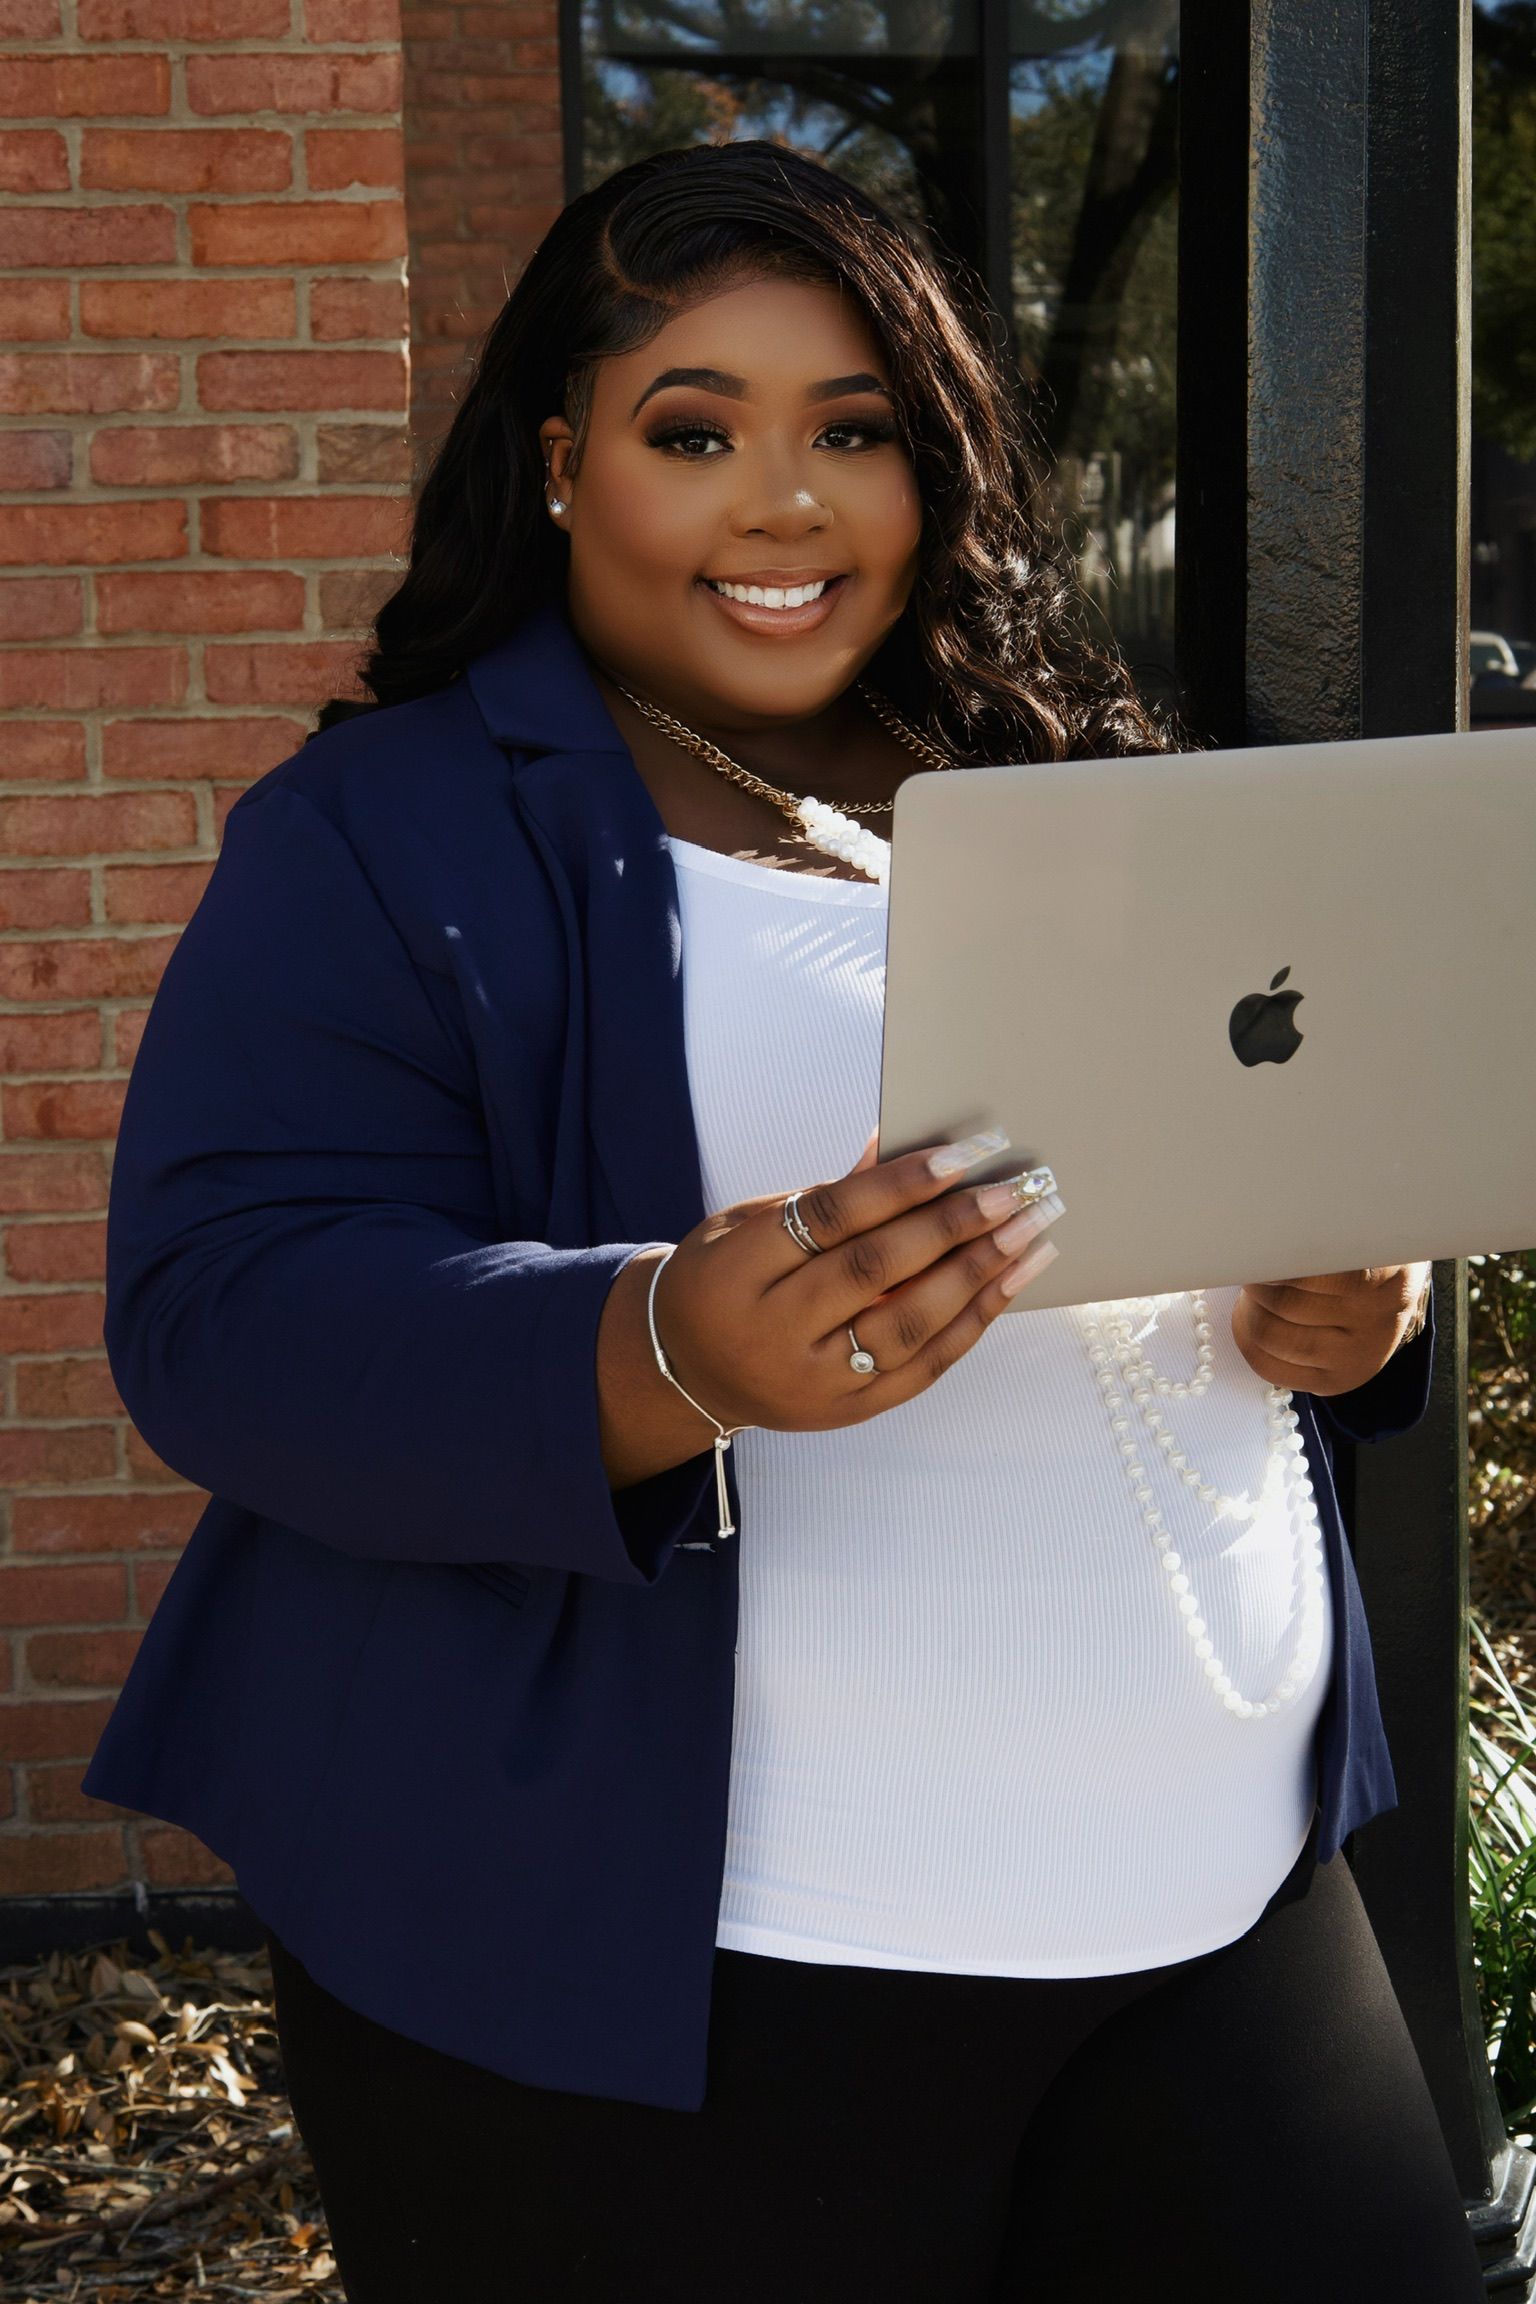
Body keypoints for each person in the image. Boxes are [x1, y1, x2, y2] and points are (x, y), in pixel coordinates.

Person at [82, 141, 1479, 2301]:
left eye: (854, 431)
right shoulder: (385, 830)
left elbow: (1272, 1150)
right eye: (694, 432)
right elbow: (219, 1311)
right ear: (564, 461)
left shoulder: (1074, 767)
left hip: (1226, 1896)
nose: (785, 505)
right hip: (708, 1970)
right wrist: (657, 1349)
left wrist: (1353, 1308)